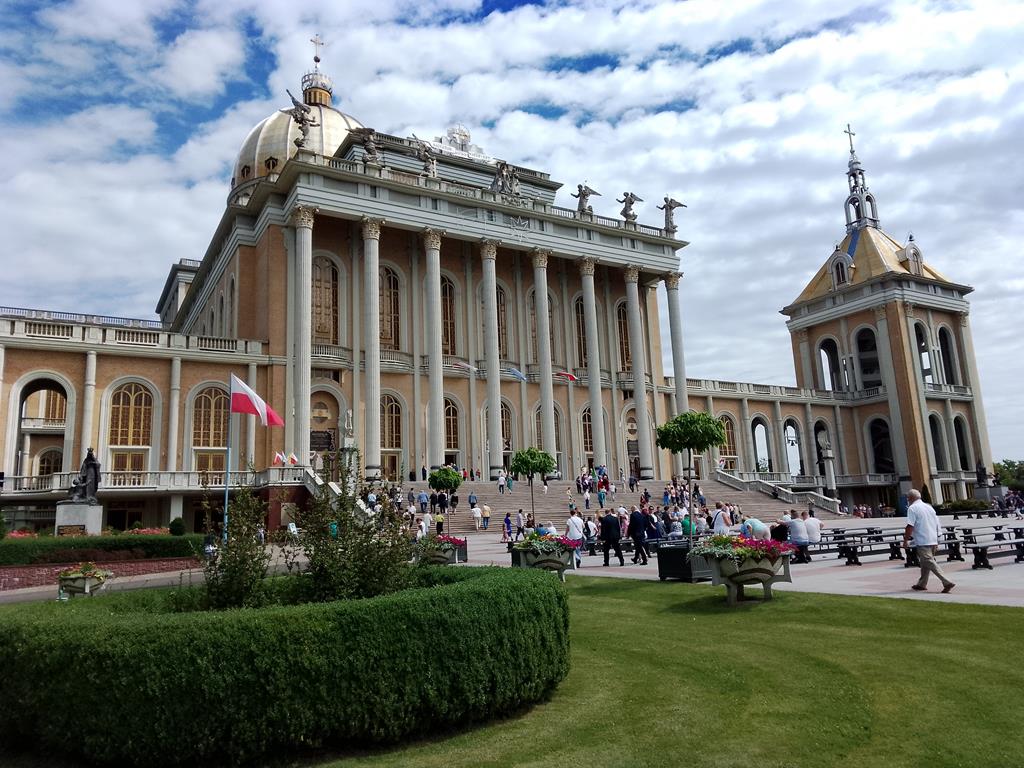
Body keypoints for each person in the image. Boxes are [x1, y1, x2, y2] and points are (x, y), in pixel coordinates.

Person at [904, 488, 955, 593]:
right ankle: (921, 584)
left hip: (923, 540)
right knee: (925, 562)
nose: (907, 500)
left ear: (910, 498)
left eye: (908, 498)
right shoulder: (929, 507)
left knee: (929, 561)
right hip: (933, 539)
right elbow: (937, 523)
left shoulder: (912, 508)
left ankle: (947, 581)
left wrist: (905, 540)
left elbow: (910, 526)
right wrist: (937, 537)